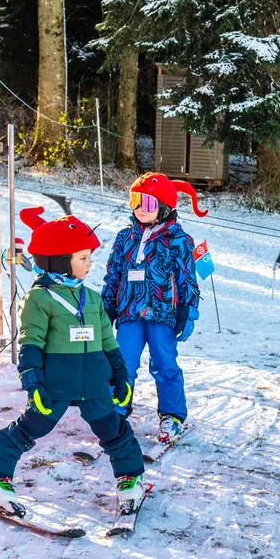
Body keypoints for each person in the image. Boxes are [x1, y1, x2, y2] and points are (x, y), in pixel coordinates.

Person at [0, 207, 145, 514]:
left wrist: (120, 375)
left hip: (95, 384)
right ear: (61, 261)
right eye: (83, 258)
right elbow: (30, 345)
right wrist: (33, 384)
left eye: (89, 257)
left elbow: (108, 341)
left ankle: (130, 478)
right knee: (29, 428)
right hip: (57, 383)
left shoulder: (92, 298)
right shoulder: (40, 299)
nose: (89, 264)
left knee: (114, 429)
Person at [102, 173, 204, 442]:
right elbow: (113, 275)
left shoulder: (178, 239)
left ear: (165, 207)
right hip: (129, 312)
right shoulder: (125, 237)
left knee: (164, 363)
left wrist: (187, 312)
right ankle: (115, 410)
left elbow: (187, 278)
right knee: (122, 362)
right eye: (135, 200)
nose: (139, 208)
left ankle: (172, 415)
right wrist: (107, 308)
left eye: (147, 203)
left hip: (162, 314)